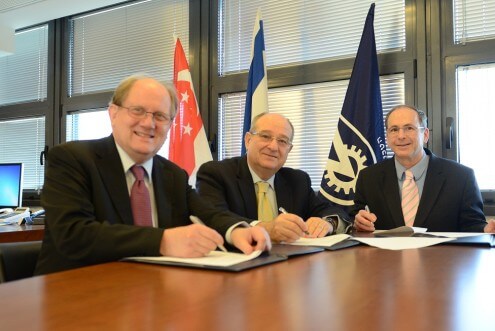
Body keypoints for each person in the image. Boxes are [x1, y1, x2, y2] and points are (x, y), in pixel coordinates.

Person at [35, 74, 270, 275]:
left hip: (153, 291)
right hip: (75, 294)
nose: (149, 123)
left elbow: (207, 212)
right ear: (113, 113)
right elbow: (73, 234)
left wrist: (237, 230)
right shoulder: (72, 159)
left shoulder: (173, 174)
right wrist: (163, 241)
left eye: (160, 116)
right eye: (138, 110)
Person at [196, 112, 350, 243]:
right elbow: (214, 219)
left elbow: (332, 210)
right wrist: (266, 229)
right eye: (265, 136)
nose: (273, 147)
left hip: (288, 268)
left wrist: (328, 223)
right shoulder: (216, 173)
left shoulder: (297, 180)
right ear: (248, 140)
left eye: (282, 141)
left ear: (289, 149)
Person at [352, 104, 495, 233]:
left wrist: (488, 229)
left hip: (443, 263)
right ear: (387, 137)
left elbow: (473, 225)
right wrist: (358, 223)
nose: (401, 136)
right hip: (386, 263)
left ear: (426, 134)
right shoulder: (368, 178)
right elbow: (355, 219)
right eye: (394, 130)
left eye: (409, 128)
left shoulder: (461, 177)